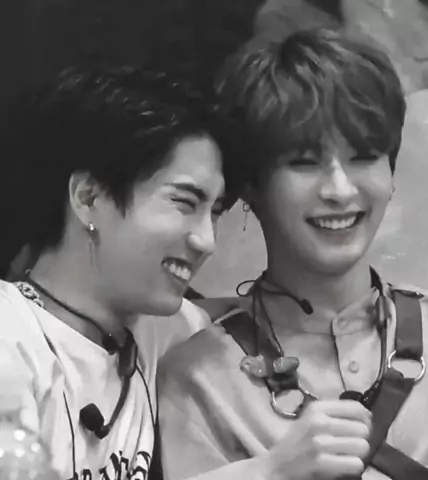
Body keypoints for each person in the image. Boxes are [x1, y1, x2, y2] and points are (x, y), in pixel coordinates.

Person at [156, 29, 428, 480]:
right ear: (250, 185)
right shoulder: (196, 380)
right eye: (304, 162)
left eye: (364, 156)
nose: (340, 190)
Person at [0, 62, 250, 479]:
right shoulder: (11, 339)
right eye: (184, 202)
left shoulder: (171, 332)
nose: (207, 241)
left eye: (215, 211)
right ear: (89, 198)